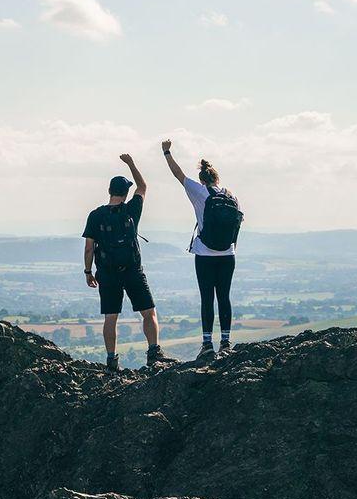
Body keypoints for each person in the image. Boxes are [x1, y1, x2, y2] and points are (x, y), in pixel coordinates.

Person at [82, 154, 171, 371]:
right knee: (148, 312)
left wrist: (88, 271)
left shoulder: (96, 215)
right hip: (132, 270)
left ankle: (112, 360)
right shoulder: (132, 210)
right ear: (126, 193)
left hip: (107, 273)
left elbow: (89, 247)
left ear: (109, 192)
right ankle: (153, 353)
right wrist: (131, 164)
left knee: (110, 317)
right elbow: (143, 185)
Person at [161, 140, 243, 360]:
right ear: (217, 178)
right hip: (228, 254)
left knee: (207, 298)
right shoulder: (230, 195)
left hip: (205, 253)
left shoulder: (199, 192)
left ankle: (207, 344)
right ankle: (226, 342)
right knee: (224, 297)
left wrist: (167, 152)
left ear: (202, 179)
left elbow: (178, 175)